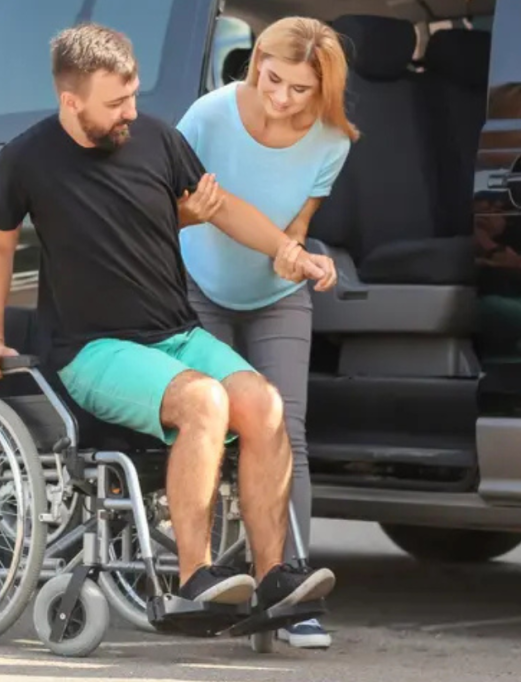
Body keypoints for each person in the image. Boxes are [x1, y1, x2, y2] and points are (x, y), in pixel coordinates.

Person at [0, 22, 339, 612]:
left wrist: (287, 251)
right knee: (205, 402)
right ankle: (194, 579)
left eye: (134, 95)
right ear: (71, 101)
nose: (131, 112)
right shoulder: (25, 158)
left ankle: (273, 576)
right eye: (116, 102)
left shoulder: (158, 139)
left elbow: (222, 209)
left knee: (264, 405)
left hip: (176, 335)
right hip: (93, 350)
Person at [170, 17, 357, 649]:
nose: (281, 97)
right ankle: (208, 580)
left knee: (286, 431)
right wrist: (192, 213)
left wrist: (301, 258)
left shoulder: (332, 140)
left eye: (300, 90)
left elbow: (298, 225)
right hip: (199, 287)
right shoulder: (209, 117)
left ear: (323, 89)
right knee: (213, 429)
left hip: (277, 296)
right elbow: (159, 202)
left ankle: (289, 593)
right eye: (272, 79)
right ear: (256, 64)